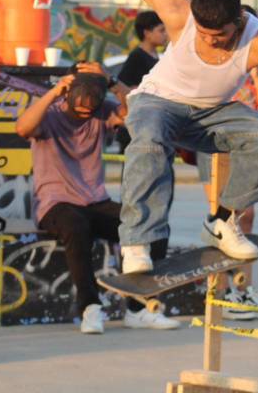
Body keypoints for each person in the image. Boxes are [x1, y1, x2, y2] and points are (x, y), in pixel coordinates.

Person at [46, 0, 258, 274]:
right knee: (148, 140)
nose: (211, 41)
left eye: (220, 35)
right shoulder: (178, 11)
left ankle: (222, 223)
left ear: (238, 20)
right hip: (158, 103)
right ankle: (137, 242)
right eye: (203, 34)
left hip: (211, 114)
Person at [15, 65, 180, 334]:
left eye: (88, 112)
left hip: (95, 200)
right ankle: (90, 308)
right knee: (76, 226)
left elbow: (140, 113)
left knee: (151, 226)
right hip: (55, 203)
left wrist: (112, 81)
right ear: (67, 95)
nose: (84, 115)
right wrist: (54, 92)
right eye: (78, 110)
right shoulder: (50, 113)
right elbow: (22, 128)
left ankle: (139, 308)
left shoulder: (103, 111)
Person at [195, 5, 258, 320]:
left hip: (246, 146)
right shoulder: (214, 59)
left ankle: (244, 289)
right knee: (221, 219)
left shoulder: (255, 64)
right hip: (215, 146)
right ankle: (223, 291)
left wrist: (255, 72)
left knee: (246, 218)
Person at [115, 11, 168, 153]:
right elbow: (122, 87)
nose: (165, 34)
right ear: (147, 33)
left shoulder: (155, 56)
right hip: (136, 126)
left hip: (150, 122)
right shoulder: (137, 57)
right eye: (161, 30)